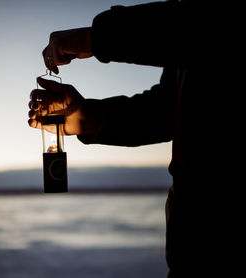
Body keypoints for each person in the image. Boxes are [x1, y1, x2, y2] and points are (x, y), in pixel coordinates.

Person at [28, 1, 241, 277]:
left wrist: (98, 37)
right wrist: (89, 117)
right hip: (194, 250)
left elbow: (203, 27)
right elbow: (167, 108)